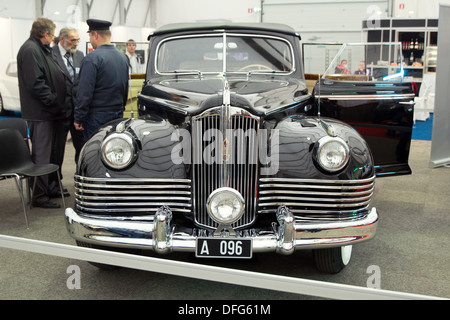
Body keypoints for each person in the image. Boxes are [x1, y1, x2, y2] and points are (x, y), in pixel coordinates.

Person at [17, 18, 69, 208]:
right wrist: (54, 102)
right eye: (52, 34)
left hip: (49, 112)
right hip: (41, 113)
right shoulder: (31, 50)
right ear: (45, 34)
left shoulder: (40, 49)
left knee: (50, 154)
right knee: (42, 155)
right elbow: (36, 84)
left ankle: (49, 188)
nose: (53, 37)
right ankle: (39, 196)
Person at [74, 19, 129, 141]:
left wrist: (78, 117)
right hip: (118, 113)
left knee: (94, 151)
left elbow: (84, 92)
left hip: (96, 116)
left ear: (95, 34)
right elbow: (125, 87)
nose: (90, 39)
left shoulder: (92, 59)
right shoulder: (123, 58)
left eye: (90, 35)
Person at [52, 27, 85, 164]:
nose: (76, 43)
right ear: (62, 39)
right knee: (57, 149)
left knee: (82, 147)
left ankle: (81, 177)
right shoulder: (50, 55)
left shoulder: (80, 55)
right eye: (73, 40)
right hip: (60, 111)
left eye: (77, 40)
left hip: (77, 112)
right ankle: (56, 182)